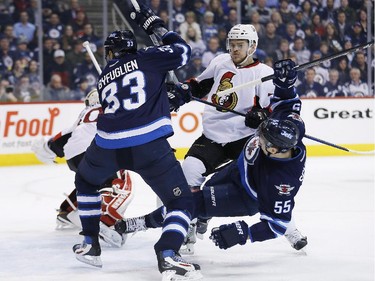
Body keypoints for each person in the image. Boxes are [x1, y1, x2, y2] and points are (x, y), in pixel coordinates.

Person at [115, 59, 308, 257]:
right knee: (202, 196)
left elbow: (277, 224)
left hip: (244, 196)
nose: (257, 139)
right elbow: (287, 103)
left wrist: (245, 234)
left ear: (274, 150)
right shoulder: (291, 125)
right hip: (238, 171)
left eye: (262, 140)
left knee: (190, 203)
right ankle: (201, 215)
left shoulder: (281, 182)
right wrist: (286, 83)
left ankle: (143, 222)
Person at [71, 4, 202, 281]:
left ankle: (90, 243)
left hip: (107, 146)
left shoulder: (104, 76)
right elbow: (184, 51)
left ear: (111, 52)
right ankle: (168, 255)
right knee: (181, 204)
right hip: (149, 146)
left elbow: (130, 103)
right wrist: (157, 28)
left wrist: (165, 96)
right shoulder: (148, 57)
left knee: (85, 181)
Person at [170, 24, 307, 254]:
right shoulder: (220, 62)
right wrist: (182, 92)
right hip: (213, 136)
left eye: (240, 45)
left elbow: (276, 111)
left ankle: (287, 226)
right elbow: (200, 85)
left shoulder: (264, 73)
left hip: (244, 140)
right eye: (232, 44)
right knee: (190, 170)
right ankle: (190, 227)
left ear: (252, 46)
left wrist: (261, 115)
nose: (234, 49)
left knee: (264, 185)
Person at [31, 89, 134, 248]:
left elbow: (60, 139)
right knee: (121, 181)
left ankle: (68, 211)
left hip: (73, 157)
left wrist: (46, 148)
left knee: (89, 182)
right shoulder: (114, 109)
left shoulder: (83, 117)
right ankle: (105, 220)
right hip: (96, 149)